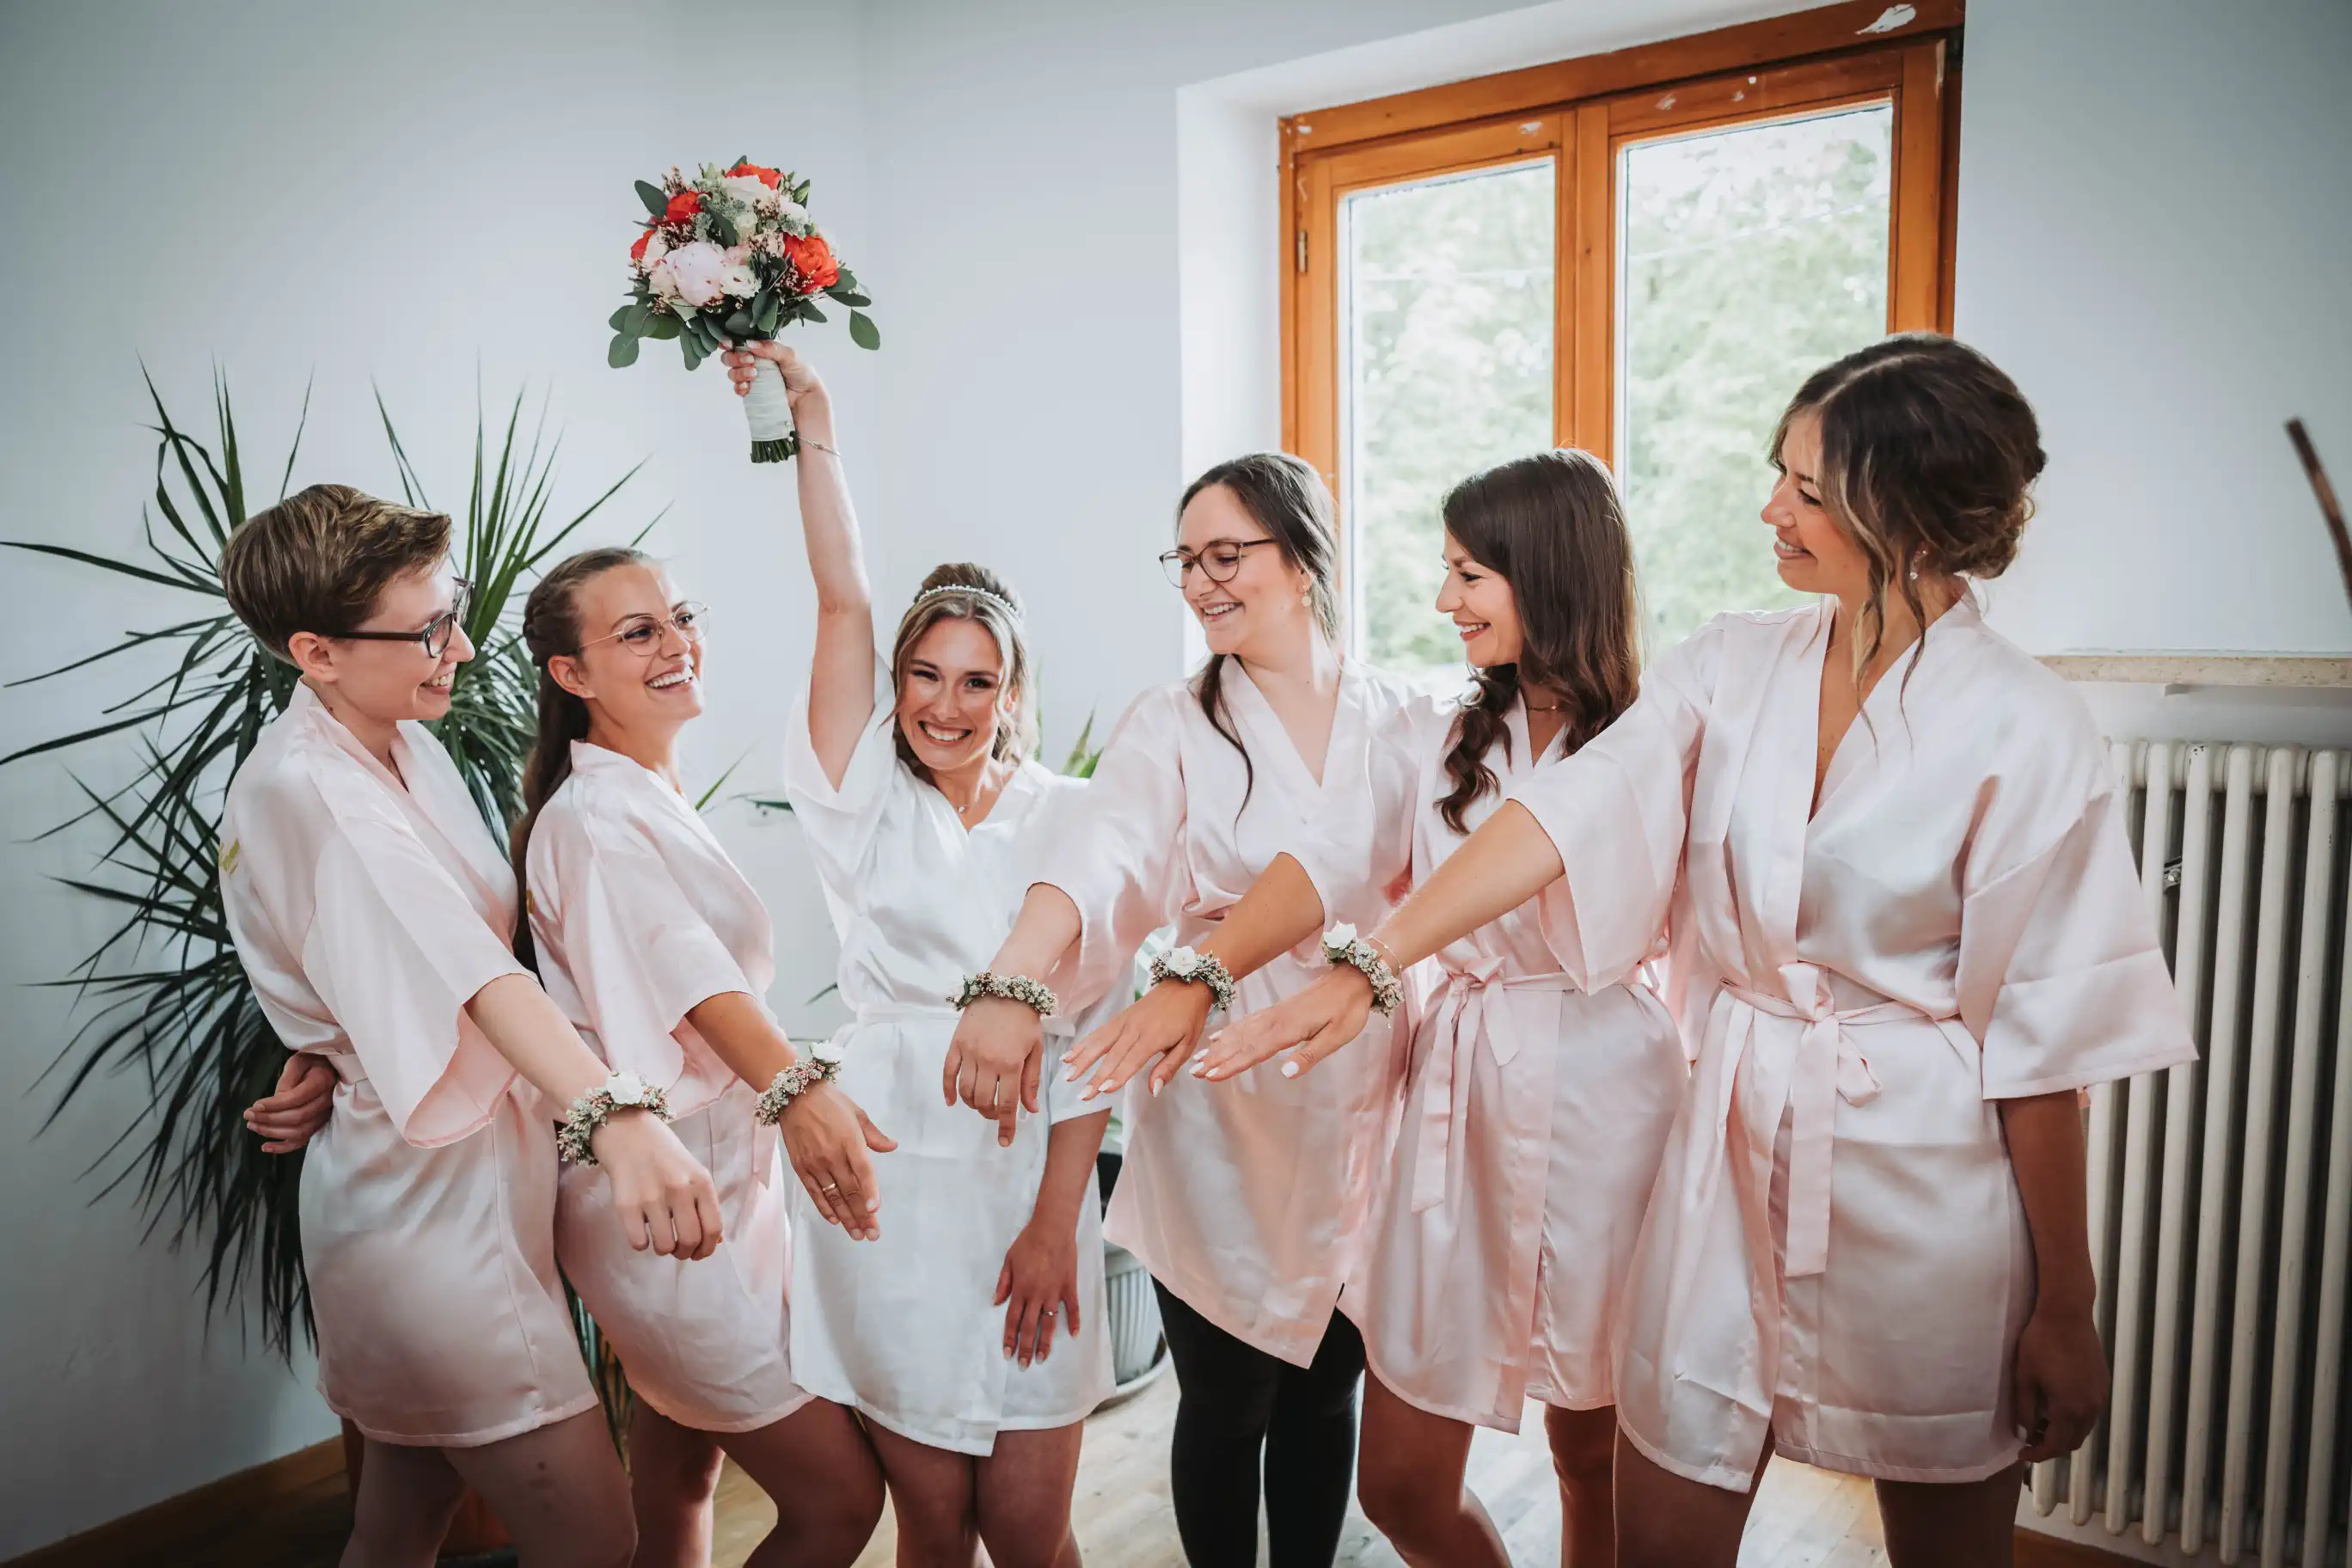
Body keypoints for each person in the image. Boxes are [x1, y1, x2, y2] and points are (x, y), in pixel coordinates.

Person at [1204, 334, 2198, 1568]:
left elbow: (2046, 1045)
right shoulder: (1734, 664)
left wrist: (2068, 1303)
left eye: (1808, 489)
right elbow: (1573, 806)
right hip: (1723, 1156)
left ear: (1906, 515)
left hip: (1928, 1178)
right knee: (1663, 1506)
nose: (1771, 507)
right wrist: (1375, 962)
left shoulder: (2028, 729)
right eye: (1778, 472)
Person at [1075, 449, 1683, 1566]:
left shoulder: (1659, 734)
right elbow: (1332, 852)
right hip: (1447, 1085)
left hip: (1603, 1089)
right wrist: (1202, 974)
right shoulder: (1441, 734)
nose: (1443, 599)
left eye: (1469, 574)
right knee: (1393, 1476)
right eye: (1447, 571)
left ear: (1550, 574)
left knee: (1589, 1443)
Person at [218, 484, 721, 1567]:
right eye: (430, 630)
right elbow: (471, 975)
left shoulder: (404, 737)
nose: (463, 646)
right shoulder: (308, 789)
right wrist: (620, 1117)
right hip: (435, 1231)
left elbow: (391, 962)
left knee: (398, 1525)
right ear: (317, 653)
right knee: (596, 1538)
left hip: (464, 1193)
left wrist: (323, 1051)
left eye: (453, 611)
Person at [945, 453, 1418, 1567]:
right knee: (1226, 1397)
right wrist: (1015, 978)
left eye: (1227, 556)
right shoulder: (1171, 723)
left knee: (1326, 1387)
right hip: (1216, 1091)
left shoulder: (1405, 718)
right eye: (1187, 560)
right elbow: (1102, 853)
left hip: (1358, 1080)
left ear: (1303, 562)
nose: (1201, 582)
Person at [727, 339, 1115, 1568]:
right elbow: (842, 594)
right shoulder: (860, 798)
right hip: (889, 1178)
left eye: (977, 683)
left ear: (1014, 692)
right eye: (924, 676)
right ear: (893, 682)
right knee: (936, 1523)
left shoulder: (1074, 815)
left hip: (1031, 1179)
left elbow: (1092, 1042)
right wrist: (814, 420)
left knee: (1032, 1527)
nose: (946, 707)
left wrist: (1056, 1225)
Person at [515, 546, 889, 1567]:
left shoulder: (636, 792)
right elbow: (694, 978)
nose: (678, 644)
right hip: (670, 1208)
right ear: (571, 674)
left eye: (682, 617)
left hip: (710, 1188)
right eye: (638, 632)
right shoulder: (596, 817)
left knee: (682, 1477)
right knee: (839, 1502)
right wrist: (799, 1091)